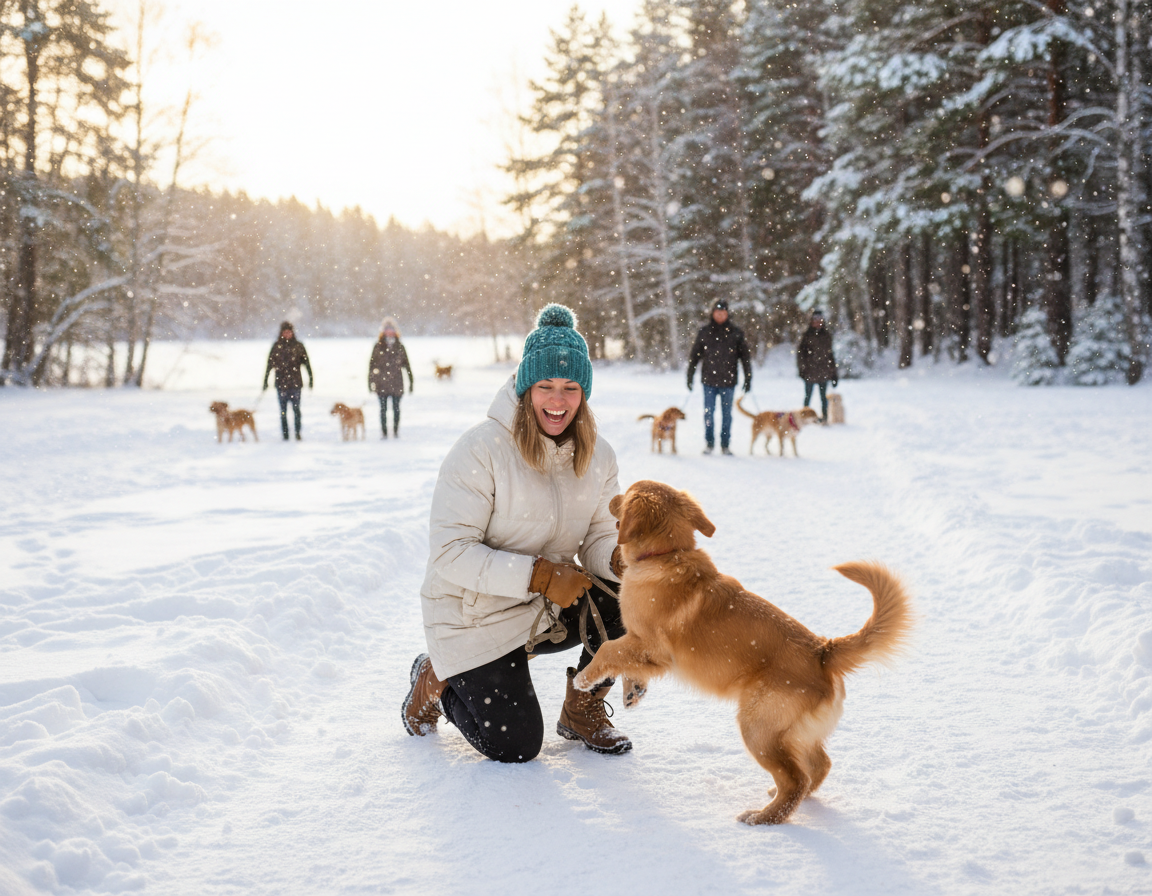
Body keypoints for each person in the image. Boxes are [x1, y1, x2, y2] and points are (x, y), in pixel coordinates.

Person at [402, 303, 631, 762]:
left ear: (583, 393)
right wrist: (540, 575)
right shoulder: (480, 450)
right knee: (515, 745)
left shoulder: (598, 455)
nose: (558, 400)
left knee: (631, 599)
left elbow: (599, 536)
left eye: (570, 388)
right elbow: (450, 552)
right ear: (526, 388)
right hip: (473, 614)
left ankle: (582, 707)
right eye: (545, 386)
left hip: (544, 607)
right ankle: (437, 678)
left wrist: (621, 559)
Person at [685, 299, 752, 455]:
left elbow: (745, 358)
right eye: (717, 312)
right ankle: (709, 443)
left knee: (727, 414)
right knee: (708, 413)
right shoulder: (704, 332)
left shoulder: (736, 333)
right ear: (713, 313)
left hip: (729, 381)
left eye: (723, 312)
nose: (720, 315)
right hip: (709, 380)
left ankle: (725, 444)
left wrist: (748, 377)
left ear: (727, 314)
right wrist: (690, 375)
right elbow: (695, 356)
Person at [262, 321, 313, 441]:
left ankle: (297, 433)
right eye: (285, 332)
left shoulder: (298, 346)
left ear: (292, 332)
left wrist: (311, 378)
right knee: (283, 411)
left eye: (289, 332)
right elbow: (269, 365)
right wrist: (265, 381)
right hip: (281, 384)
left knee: (296, 410)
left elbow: (307, 363)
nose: (287, 334)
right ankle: (285, 435)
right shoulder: (276, 346)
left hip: (296, 384)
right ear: (281, 333)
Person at [368, 317, 414, 438]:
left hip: (397, 384)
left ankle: (395, 431)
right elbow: (372, 366)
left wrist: (411, 382)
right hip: (381, 384)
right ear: (383, 332)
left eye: (391, 329)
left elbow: (407, 366)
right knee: (383, 409)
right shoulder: (378, 346)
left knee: (396, 409)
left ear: (395, 331)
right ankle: (384, 432)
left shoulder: (400, 347)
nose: (389, 332)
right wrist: (370, 382)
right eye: (386, 329)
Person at [797, 309, 838, 423]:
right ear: (811, 321)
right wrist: (802, 369)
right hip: (809, 371)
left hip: (824, 371)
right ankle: (804, 418)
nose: (818, 322)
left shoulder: (826, 335)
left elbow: (830, 355)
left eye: (820, 319)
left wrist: (834, 374)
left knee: (824, 397)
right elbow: (801, 354)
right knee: (808, 396)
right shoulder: (807, 335)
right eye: (815, 319)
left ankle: (824, 418)